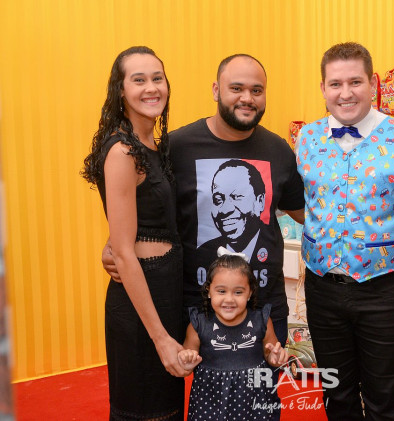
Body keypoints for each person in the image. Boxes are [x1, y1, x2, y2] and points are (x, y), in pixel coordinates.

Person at [103, 53, 304, 351]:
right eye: (236, 88)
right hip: (197, 311)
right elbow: (150, 206)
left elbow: (306, 214)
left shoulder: (279, 150)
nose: (247, 98)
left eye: (256, 90)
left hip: (265, 312)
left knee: (264, 382)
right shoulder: (176, 147)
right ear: (216, 90)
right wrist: (115, 245)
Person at [295, 42, 394, 420]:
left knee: (386, 403)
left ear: (372, 83)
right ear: (323, 88)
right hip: (323, 289)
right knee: (337, 398)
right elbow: (301, 201)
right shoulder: (306, 138)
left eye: (355, 82)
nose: (345, 93)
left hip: (386, 291)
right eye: (335, 84)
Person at [82, 46, 187, 420]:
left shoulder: (152, 146)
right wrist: (161, 338)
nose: (151, 87)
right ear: (121, 90)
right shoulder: (123, 151)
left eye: (157, 78)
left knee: (167, 409)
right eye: (138, 80)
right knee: (145, 412)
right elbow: (124, 251)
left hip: (166, 294)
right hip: (141, 304)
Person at [178, 254, 288, 420]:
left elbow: (271, 354)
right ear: (209, 291)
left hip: (254, 405)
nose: (229, 299)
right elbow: (185, 362)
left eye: (238, 292)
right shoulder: (198, 325)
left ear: (250, 293)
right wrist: (186, 359)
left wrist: (275, 357)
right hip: (210, 405)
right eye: (221, 291)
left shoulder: (262, 320)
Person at [199, 159, 270, 267]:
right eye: (218, 200)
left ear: (259, 201)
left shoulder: (270, 244)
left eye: (237, 197)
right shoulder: (203, 252)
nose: (225, 210)